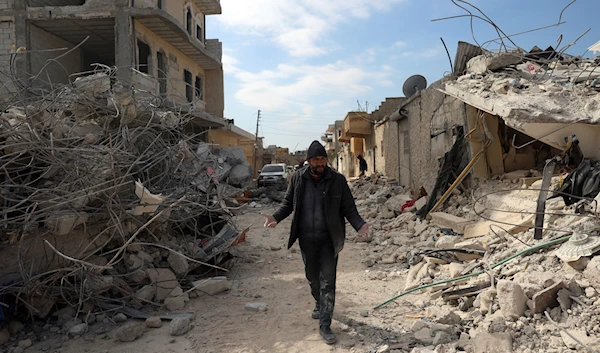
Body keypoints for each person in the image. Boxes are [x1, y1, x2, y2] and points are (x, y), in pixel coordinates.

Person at [261, 141, 369, 345]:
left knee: (328, 281)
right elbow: (287, 203)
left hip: (329, 238)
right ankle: (319, 303)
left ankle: (325, 325)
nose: (320, 163)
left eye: (322, 159)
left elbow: (349, 207)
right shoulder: (298, 178)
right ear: (309, 161)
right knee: (312, 277)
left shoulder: (337, 180)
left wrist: (360, 225)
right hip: (306, 238)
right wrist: (275, 217)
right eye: (316, 160)